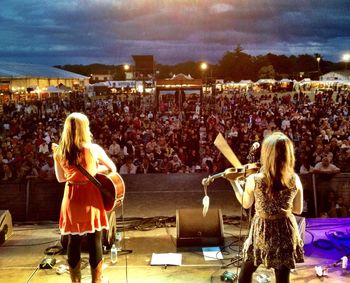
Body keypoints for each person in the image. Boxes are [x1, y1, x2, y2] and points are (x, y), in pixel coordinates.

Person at [229, 132, 304, 283]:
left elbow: (246, 203)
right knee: (283, 278)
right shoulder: (294, 179)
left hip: (262, 230)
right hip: (285, 231)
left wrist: (234, 183)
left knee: (246, 272)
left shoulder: (254, 180)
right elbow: (298, 210)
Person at [52, 112, 116, 283]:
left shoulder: (59, 151)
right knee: (95, 238)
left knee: (73, 240)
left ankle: (76, 281)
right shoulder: (93, 149)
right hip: (90, 196)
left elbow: (61, 178)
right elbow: (112, 168)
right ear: (84, 128)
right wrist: (95, 171)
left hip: (72, 197)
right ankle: (97, 280)